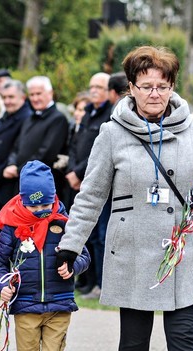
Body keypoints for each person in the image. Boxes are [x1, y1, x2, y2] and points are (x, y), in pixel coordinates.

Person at [56, 46, 193, 351]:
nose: (154, 93)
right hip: (131, 248)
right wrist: (70, 245)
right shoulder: (112, 133)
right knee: (134, 338)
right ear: (130, 87)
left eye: (162, 86)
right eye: (146, 86)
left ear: (172, 87)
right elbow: (92, 194)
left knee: (183, 335)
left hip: (182, 246)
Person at [0, 160, 90, 351]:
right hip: (26, 305)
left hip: (60, 304)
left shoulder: (64, 221)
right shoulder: (11, 226)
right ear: (23, 200)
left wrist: (73, 265)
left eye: (45, 204)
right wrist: (3, 284)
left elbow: (83, 254)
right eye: (34, 206)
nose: (40, 211)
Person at [66, 72, 113, 299]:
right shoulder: (87, 113)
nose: (94, 90)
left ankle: (103, 284)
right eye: (92, 86)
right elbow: (75, 145)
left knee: (102, 236)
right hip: (79, 180)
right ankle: (89, 281)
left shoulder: (109, 114)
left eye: (100, 87)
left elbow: (99, 151)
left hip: (94, 180)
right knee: (89, 236)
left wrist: (80, 172)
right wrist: (72, 170)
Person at [2, 76, 69, 215]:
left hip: (42, 185)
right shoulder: (29, 118)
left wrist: (18, 169)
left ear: (50, 93)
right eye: (32, 94)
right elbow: (17, 146)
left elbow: (47, 153)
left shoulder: (58, 119)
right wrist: (11, 163)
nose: (35, 98)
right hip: (21, 180)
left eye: (39, 93)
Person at [0, 80, 32, 220]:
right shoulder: (4, 117)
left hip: (7, 181)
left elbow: (16, 151)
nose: (7, 101)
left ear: (22, 97)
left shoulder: (27, 118)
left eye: (11, 97)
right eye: (4, 97)